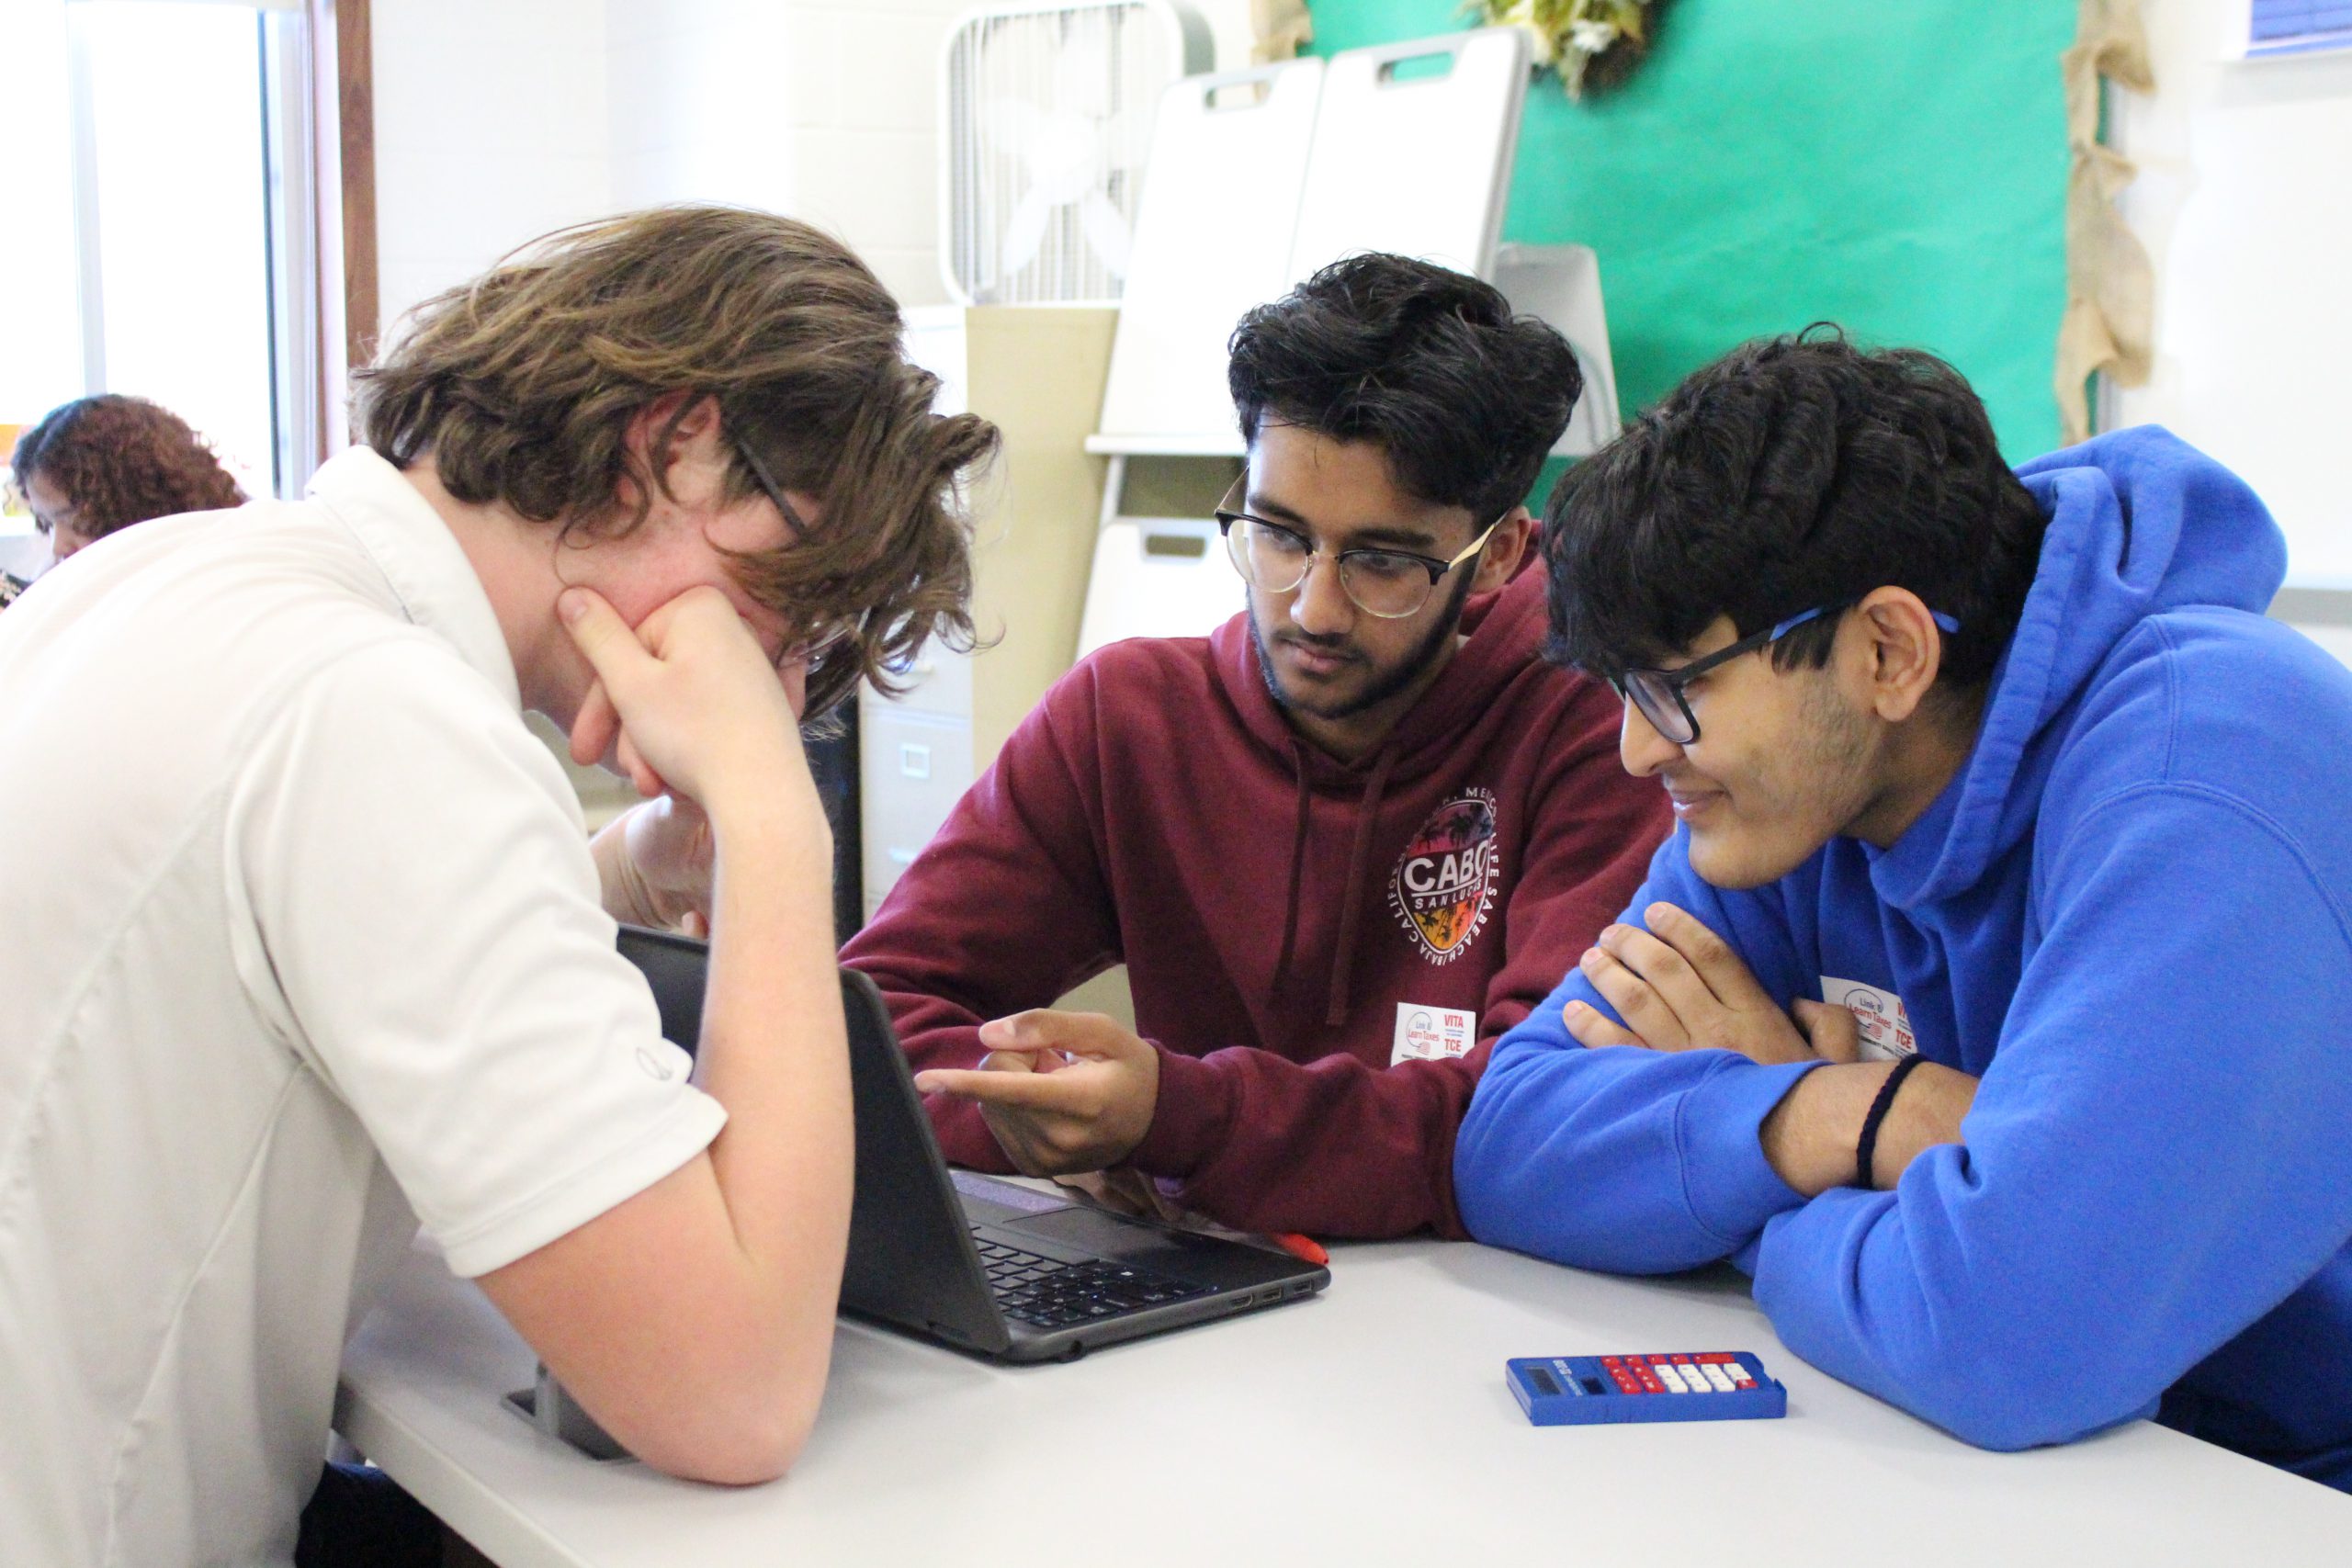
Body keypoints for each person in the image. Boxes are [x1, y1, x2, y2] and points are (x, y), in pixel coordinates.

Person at [0, 206, 997, 1565]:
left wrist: (636, 870)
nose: (783, 673)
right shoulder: (384, 715)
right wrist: (776, 816)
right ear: (680, 445)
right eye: (795, 607)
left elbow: (317, 956)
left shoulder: (171, 576)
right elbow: (737, 1390)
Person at [1454, 328, 2352, 1488]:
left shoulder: (2210, 768)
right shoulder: (1794, 803)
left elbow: (2007, 1334)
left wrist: (1749, 1188)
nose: (1635, 752)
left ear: (1888, 652)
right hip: (2080, 1468)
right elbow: (1510, 1147)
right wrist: (1842, 1118)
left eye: (1674, 692)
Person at [827, 254, 1668, 1239]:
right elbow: (867, 1018)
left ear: (1502, 557)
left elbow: (1536, 1120)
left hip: (1483, 1310)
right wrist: (1040, 1116)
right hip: (1212, 1298)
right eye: (1276, 534)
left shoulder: (1603, 732)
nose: (1312, 607)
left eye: (1383, 562)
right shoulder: (1125, 716)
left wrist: (1179, 1121)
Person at [9, 392, 246, 563]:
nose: (58, 546)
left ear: (133, 503)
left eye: (76, 521)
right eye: (48, 524)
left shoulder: (216, 564)